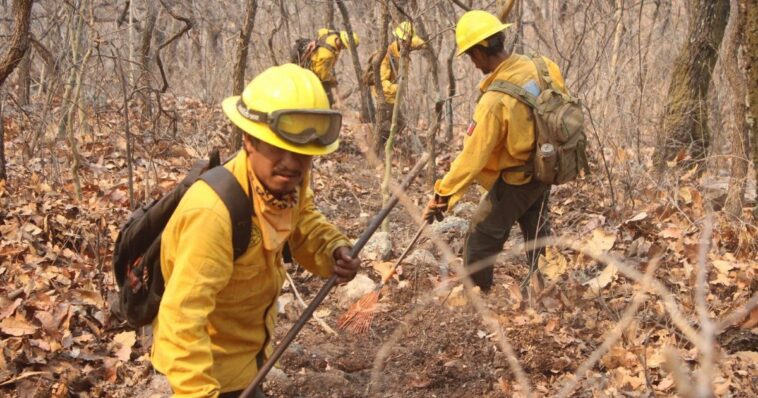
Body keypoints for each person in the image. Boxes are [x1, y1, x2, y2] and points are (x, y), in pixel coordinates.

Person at [151, 64, 360, 397]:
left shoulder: (287, 184)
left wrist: (333, 249)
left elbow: (302, 221)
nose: (291, 164)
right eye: (278, 148)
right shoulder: (213, 214)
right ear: (248, 139)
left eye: (303, 154)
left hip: (250, 362)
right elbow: (182, 322)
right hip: (206, 377)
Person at [423, 10, 568, 292]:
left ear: (479, 51)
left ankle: (479, 298)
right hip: (550, 164)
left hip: (519, 179)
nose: (473, 64)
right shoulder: (543, 66)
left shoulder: (494, 101)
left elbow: (471, 158)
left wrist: (444, 195)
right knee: (536, 229)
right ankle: (546, 289)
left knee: (480, 236)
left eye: (471, 55)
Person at [372, 21, 425, 149]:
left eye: (409, 42)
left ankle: (385, 147)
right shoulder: (386, 56)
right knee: (386, 126)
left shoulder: (404, 48)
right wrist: (399, 88)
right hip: (385, 96)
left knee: (399, 123)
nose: (409, 45)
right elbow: (382, 84)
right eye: (406, 42)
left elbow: (421, 43)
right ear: (399, 40)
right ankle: (377, 150)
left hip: (395, 96)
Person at [308, 29, 360, 105]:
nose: (344, 48)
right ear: (343, 43)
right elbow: (322, 76)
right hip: (314, 72)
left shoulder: (332, 34)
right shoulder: (328, 55)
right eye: (344, 47)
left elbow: (321, 31)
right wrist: (333, 81)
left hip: (319, 65)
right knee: (328, 100)